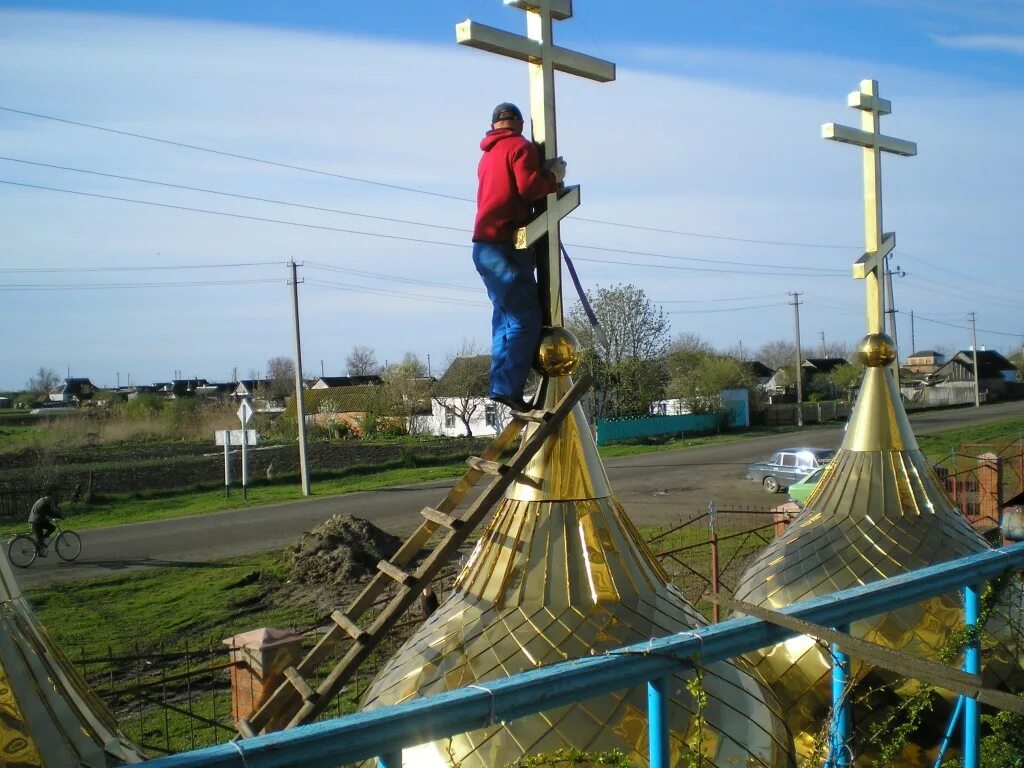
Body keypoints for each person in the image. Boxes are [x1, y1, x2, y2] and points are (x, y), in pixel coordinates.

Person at [472, 102, 566, 413]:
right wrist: (552, 179)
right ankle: (507, 389)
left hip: (484, 248)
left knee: (503, 318)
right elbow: (528, 189)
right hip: (504, 245)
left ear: (493, 125)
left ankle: (501, 386)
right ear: (520, 124)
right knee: (526, 318)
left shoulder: (486, 157)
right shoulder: (521, 148)